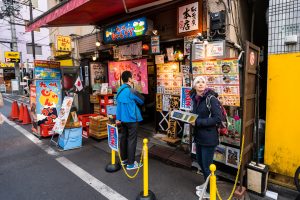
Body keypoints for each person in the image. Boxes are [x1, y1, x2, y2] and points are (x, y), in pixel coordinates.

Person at [190, 76, 222, 199]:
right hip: (199, 136)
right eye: (198, 82)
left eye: (203, 82)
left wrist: (198, 122)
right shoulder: (195, 99)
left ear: (206, 85)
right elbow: (195, 116)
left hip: (209, 137)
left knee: (207, 165)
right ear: (194, 86)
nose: (200, 84)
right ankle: (207, 184)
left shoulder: (211, 99)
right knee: (200, 162)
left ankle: (209, 192)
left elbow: (217, 118)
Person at [116, 71, 145, 170]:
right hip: (132, 120)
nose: (133, 78)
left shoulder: (119, 90)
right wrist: (136, 88)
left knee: (124, 138)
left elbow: (118, 106)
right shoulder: (131, 91)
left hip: (123, 119)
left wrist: (118, 118)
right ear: (129, 79)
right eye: (132, 77)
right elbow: (142, 100)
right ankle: (131, 164)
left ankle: (124, 159)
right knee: (132, 140)